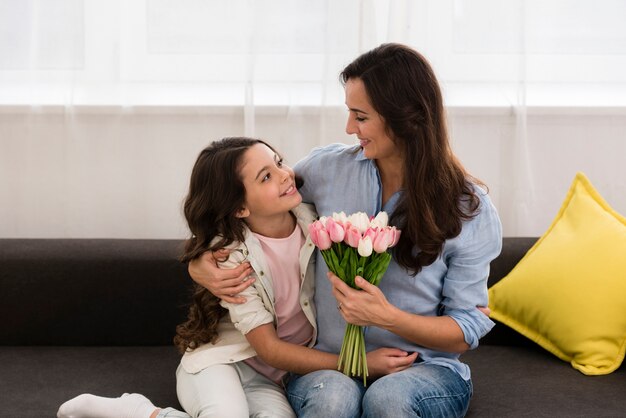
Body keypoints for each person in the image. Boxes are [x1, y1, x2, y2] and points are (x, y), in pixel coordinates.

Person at [189, 43, 502, 418]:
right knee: (333, 400)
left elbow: (466, 328)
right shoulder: (326, 170)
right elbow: (247, 204)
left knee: (387, 399)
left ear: (406, 117)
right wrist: (198, 262)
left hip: (425, 369)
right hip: (331, 365)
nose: (349, 128)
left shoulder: (470, 209)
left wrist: (387, 317)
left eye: (361, 116)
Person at [57, 137, 414, 418]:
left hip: (272, 379)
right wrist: (360, 364)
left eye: (278, 162)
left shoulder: (317, 223)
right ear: (240, 208)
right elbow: (270, 349)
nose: (285, 174)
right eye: (266, 177)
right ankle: (139, 411)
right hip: (223, 363)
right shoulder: (232, 257)